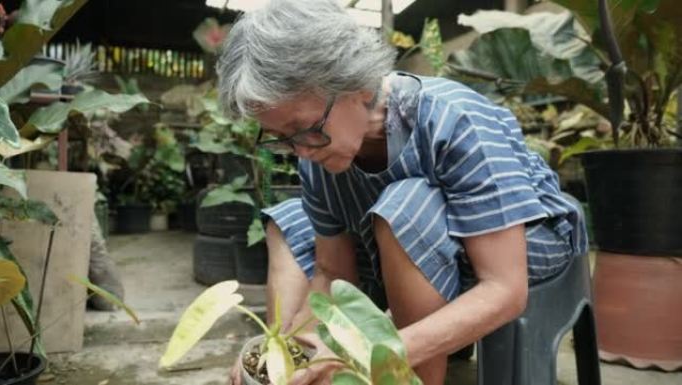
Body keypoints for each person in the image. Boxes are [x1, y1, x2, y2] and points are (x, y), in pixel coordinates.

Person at [217, 1, 587, 384]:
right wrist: (290, 350)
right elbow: (331, 272)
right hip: (405, 246)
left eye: (306, 127)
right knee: (291, 218)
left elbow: (506, 290)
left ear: (357, 86)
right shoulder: (315, 156)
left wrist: (365, 355)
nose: (302, 151)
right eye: (281, 139)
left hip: (525, 247)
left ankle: (413, 378)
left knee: (405, 208)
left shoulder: (451, 119)